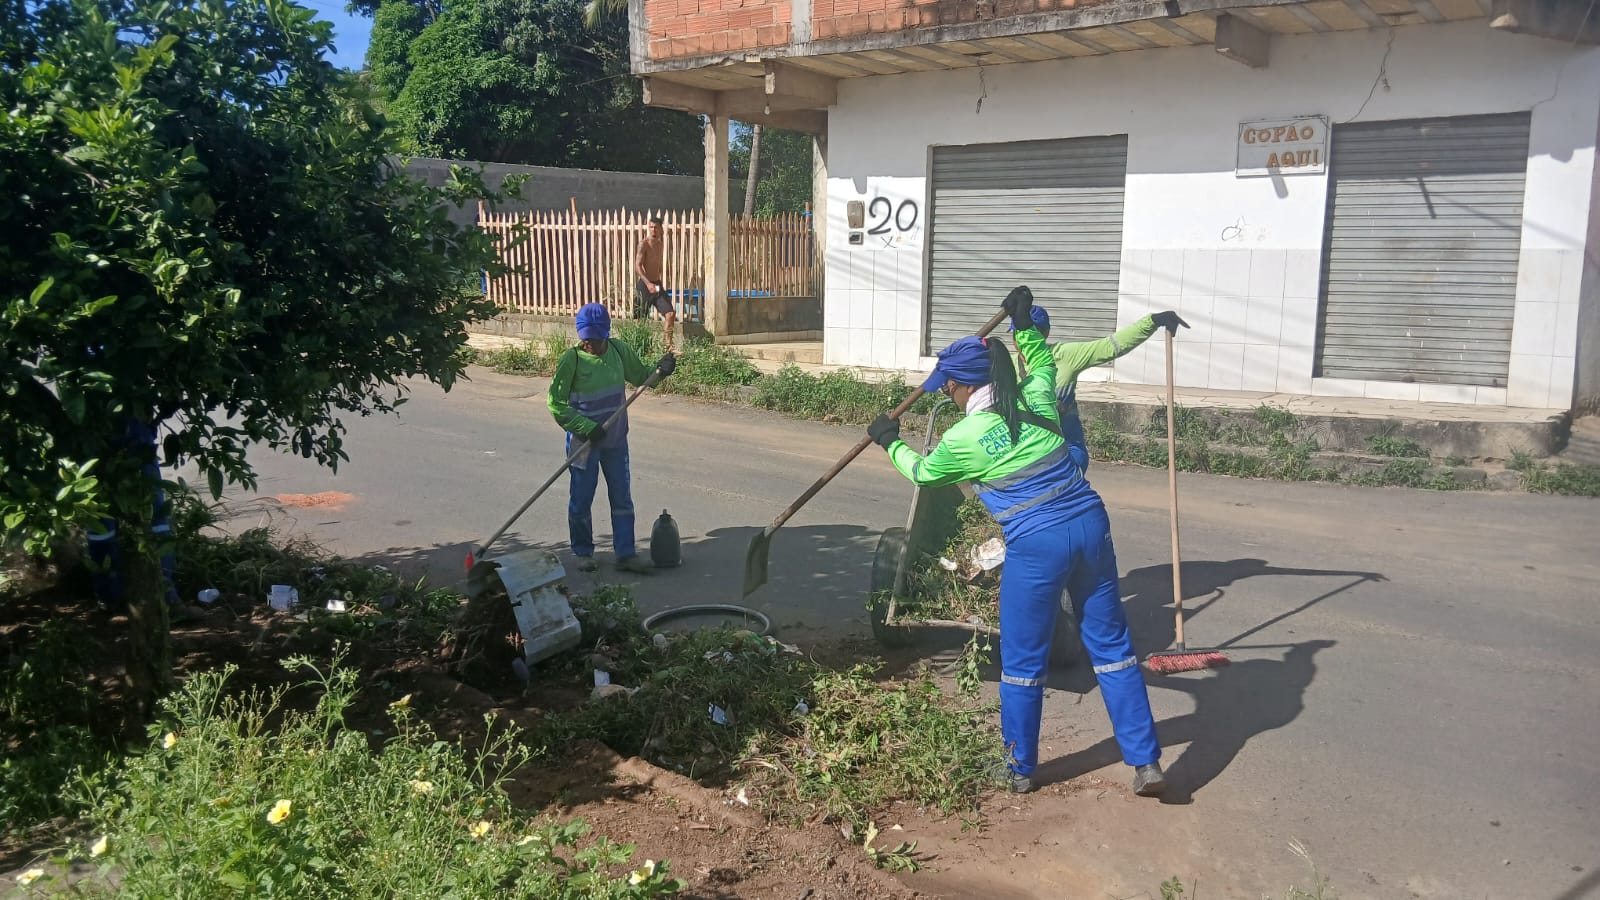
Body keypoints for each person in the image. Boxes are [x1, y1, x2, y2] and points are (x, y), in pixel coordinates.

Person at [865, 286, 1165, 797]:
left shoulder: (964, 439)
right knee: (1112, 647)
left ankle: (1020, 768)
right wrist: (1023, 324)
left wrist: (890, 441)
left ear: (964, 387)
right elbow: (1043, 361)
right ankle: (1147, 763)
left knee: (1024, 661)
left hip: (1038, 543)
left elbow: (923, 474)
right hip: (1090, 524)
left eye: (947, 387)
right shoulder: (1038, 394)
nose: (945, 394)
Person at [547, 303, 675, 574]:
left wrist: (661, 370)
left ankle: (625, 554)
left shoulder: (618, 351)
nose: (590, 344)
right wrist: (584, 426)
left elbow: (641, 376)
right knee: (581, 499)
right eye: (586, 338)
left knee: (621, 497)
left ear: (606, 334)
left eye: (595, 338)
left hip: (616, 440)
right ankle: (583, 552)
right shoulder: (572, 360)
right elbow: (556, 404)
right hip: (584, 443)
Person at [1013, 307, 1188, 472]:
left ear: (1045, 333)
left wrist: (1153, 321)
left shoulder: (1066, 355)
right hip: (1028, 451)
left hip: (1066, 447)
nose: (1022, 341)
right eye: (1017, 334)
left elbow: (1111, 346)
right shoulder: (1007, 365)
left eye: (1029, 334)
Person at [635, 218, 675, 351]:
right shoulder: (644, 244)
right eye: (651, 227)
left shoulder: (660, 244)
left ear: (661, 229)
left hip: (657, 285)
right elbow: (637, 266)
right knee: (641, 320)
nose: (653, 230)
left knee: (670, 314)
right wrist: (648, 283)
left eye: (656, 227)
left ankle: (668, 346)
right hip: (644, 285)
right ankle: (640, 347)